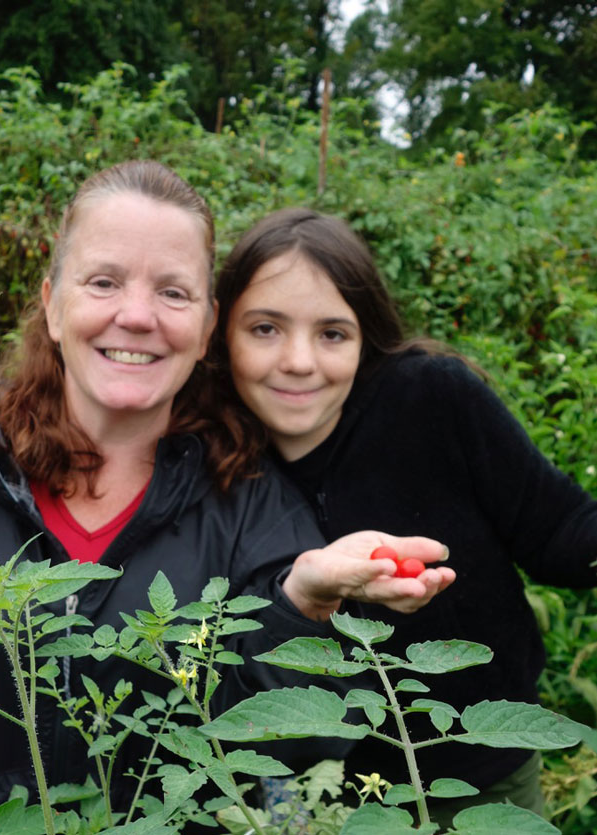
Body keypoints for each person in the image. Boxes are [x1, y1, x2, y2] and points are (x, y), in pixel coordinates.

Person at [0, 163, 448, 833]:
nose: (136, 316)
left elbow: (297, 745)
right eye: (103, 281)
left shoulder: (253, 505)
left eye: (172, 291)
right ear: (52, 304)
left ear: (206, 326)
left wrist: (298, 608)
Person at [212, 206, 597, 826]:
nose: (299, 361)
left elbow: (557, 530)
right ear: (220, 331)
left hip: (486, 770)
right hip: (320, 796)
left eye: (332, 333)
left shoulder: (432, 400)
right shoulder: (211, 455)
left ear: (366, 336)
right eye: (264, 329)